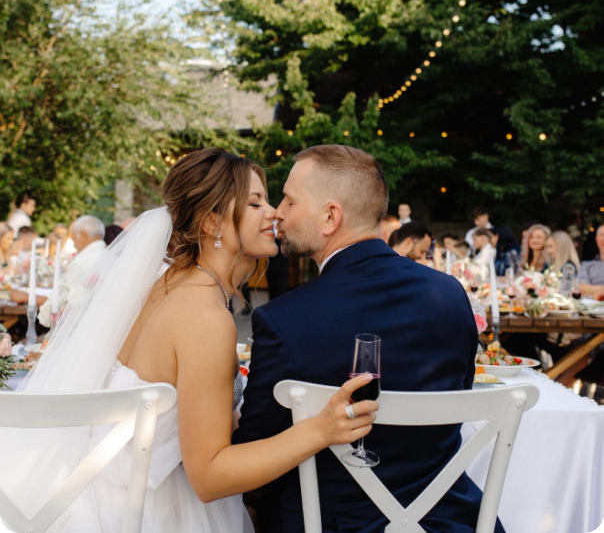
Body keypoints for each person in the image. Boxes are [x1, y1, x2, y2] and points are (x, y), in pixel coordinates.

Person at [0, 148, 377, 533]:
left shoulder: (165, 285)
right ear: (212, 222)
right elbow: (209, 477)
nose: (274, 213)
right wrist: (320, 429)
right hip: (149, 513)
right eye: (255, 203)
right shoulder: (205, 318)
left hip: (97, 493)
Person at [235, 144, 503, 533]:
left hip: (333, 522)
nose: (278, 211)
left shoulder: (285, 320)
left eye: (290, 200)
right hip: (451, 520)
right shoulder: (449, 294)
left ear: (330, 216)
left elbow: (254, 455)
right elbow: (456, 401)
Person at [64, 215, 107, 283]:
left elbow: (64, 287)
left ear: (83, 235)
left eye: (73, 237)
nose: (74, 245)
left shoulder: (80, 262)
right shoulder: (112, 256)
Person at [578, 225, 604, 298]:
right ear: (597, 239)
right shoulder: (586, 265)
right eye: (602, 235)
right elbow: (581, 287)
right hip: (591, 303)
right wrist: (601, 290)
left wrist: (591, 289)